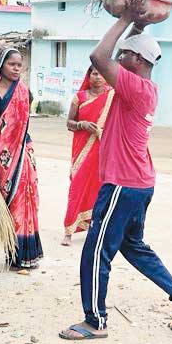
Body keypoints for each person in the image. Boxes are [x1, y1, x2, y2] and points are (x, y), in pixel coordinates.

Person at [61, 0, 172, 341]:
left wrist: (125, 16)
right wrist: (138, 22)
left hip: (123, 184)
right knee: (133, 246)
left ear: (137, 61)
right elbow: (113, 55)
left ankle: (94, 321)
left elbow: (98, 56)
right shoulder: (141, 86)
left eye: (124, 54)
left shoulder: (133, 85)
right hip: (139, 183)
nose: (117, 57)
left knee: (96, 250)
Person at [0, 47, 43, 270]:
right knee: (12, 203)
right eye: (12, 64)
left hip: (24, 153)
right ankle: (14, 255)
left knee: (28, 199)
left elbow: (23, 125)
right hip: (3, 157)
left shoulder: (24, 91)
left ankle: (29, 253)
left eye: (20, 65)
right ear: (1, 65)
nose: (17, 68)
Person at [62, 67, 114, 246]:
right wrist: (82, 124)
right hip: (82, 150)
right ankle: (69, 231)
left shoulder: (111, 96)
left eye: (101, 73)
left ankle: (97, 228)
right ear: (88, 76)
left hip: (103, 149)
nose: (98, 77)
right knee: (77, 187)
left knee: (100, 189)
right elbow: (69, 123)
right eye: (94, 74)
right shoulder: (80, 97)